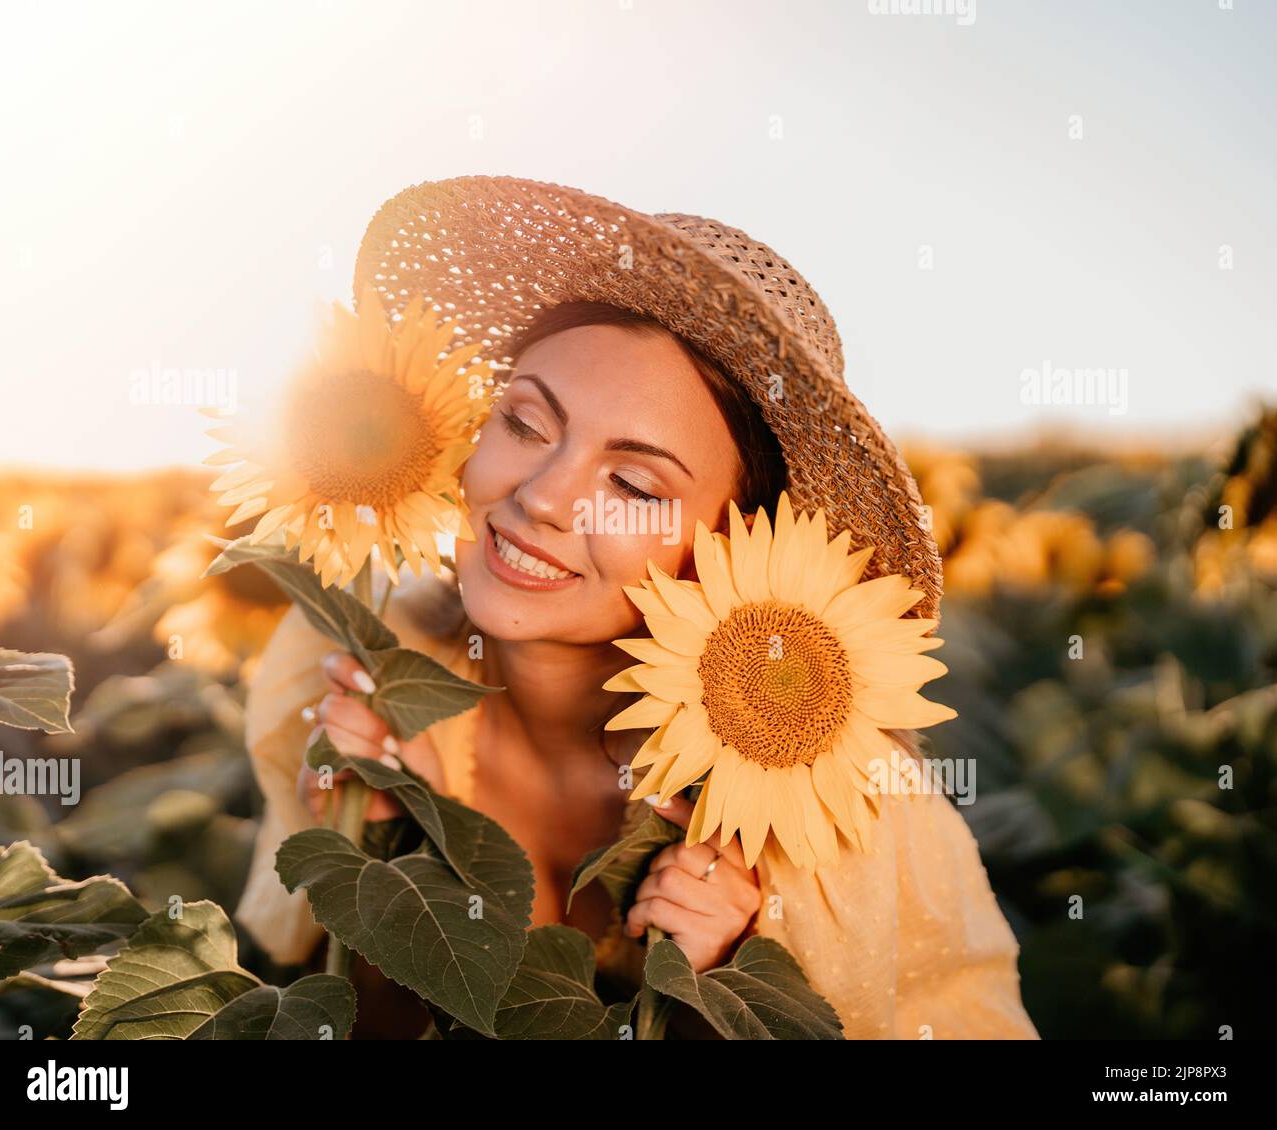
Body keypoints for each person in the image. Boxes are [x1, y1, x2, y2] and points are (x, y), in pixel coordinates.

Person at [233, 175, 1039, 1040]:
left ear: (742, 544)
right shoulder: (361, 671)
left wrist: (730, 989)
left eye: (631, 483)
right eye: (527, 424)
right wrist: (381, 873)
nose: (543, 497)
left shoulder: (835, 810)